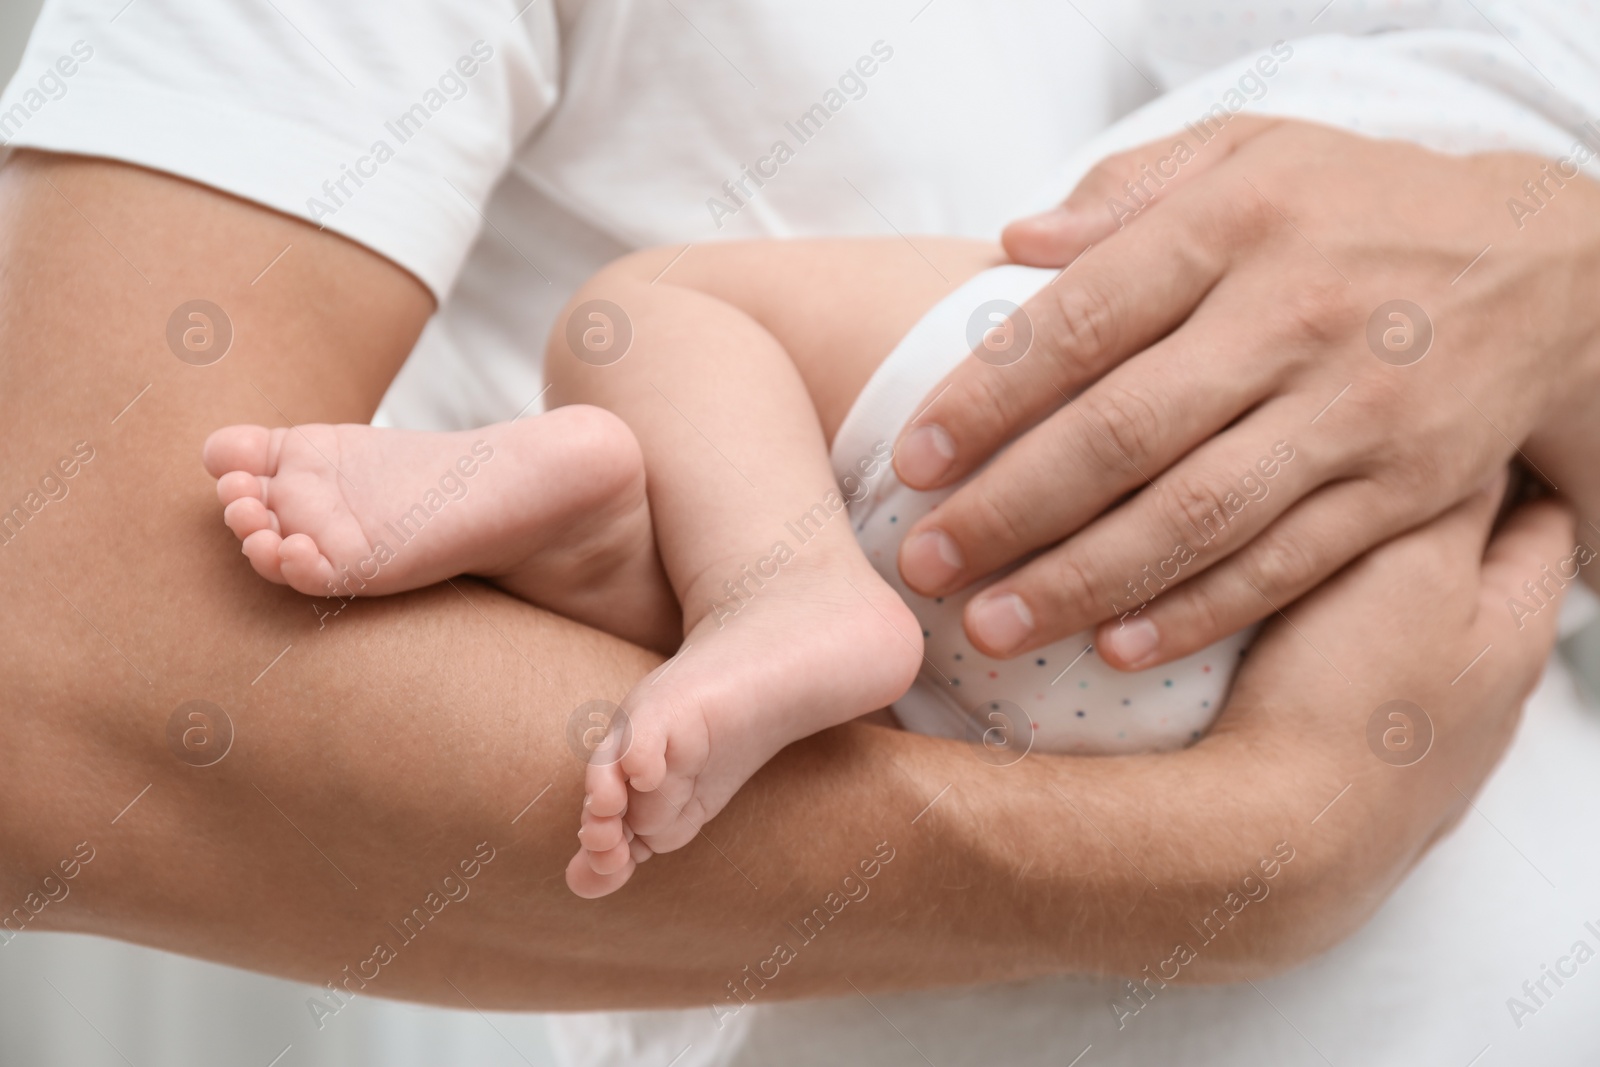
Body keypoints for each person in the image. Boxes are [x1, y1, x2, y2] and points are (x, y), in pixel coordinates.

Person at [0, 1, 1597, 1064]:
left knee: (657, 328)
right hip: (1227, 601)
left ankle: (697, 553)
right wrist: (1249, 848)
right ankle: (707, 559)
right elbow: (55, 682)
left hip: (1145, 580)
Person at [200, 236, 1254, 898]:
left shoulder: (1323, 156)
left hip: (1110, 403)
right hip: (1175, 691)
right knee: (731, 623)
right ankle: (610, 552)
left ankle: (776, 584)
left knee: (656, 302)